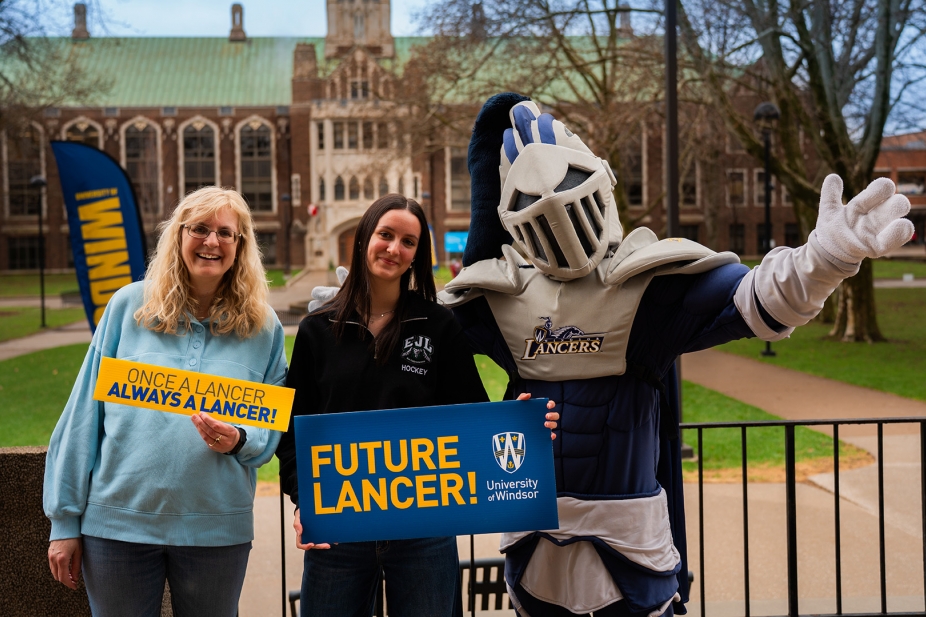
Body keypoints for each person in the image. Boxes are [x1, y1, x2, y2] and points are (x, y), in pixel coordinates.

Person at [438, 94, 914, 617]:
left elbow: (754, 300)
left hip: (629, 546)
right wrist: (351, 312)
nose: (558, 207)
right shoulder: (497, 298)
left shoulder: (648, 284)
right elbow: (413, 343)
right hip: (536, 545)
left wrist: (825, 259)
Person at [276, 193, 559, 617]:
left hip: (424, 531)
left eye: (408, 242)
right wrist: (305, 502)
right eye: (385, 235)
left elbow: (472, 419)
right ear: (362, 239)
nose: (394, 248)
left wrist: (516, 422)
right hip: (338, 528)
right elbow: (291, 430)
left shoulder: (438, 325)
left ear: (416, 256)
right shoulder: (319, 330)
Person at [44, 186, 288, 617]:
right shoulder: (126, 307)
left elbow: (269, 433)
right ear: (178, 236)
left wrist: (238, 438)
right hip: (117, 531)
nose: (212, 241)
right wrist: (63, 522)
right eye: (199, 228)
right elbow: (83, 417)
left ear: (240, 246)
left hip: (217, 534)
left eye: (226, 233)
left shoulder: (263, 327)